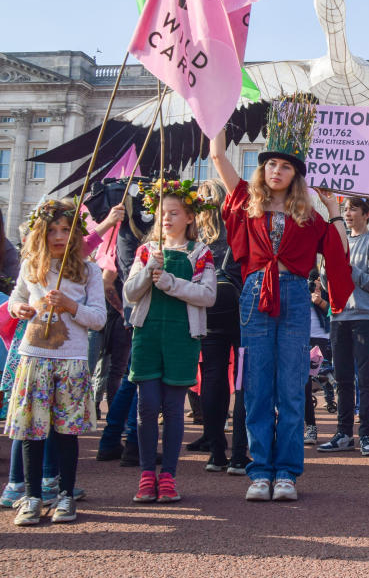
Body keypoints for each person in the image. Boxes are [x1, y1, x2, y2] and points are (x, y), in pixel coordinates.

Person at [209, 97, 352, 502]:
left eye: (286, 166)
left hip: (292, 292)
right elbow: (217, 154)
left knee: (291, 385)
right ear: (262, 169)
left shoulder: (308, 214)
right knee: (256, 386)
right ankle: (259, 471)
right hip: (255, 293)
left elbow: (337, 252)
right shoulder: (243, 199)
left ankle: (286, 471)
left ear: (295, 175)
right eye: (271, 164)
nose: (277, 170)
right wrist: (217, 109)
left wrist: (335, 207)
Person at [5, 200, 106, 525]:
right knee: (32, 432)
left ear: (76, 234)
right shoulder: (31, 265)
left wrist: (71, 307)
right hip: (34, 357)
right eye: (52, 231)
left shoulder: (89, 270)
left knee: (66, 432)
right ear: (41, 233)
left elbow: (99, 319)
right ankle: (31, 496)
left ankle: (64, 494)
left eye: (66, 230)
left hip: (71, 360)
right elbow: (18, 298)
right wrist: (17, 309)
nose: (59, 236)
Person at [124, 180, 217, 502]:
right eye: (162, 213)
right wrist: (149, 268)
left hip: (182, 338)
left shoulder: (201, 253)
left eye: (174, 213)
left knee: (174, 409)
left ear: (190, 217)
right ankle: (146, 474)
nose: (166, 218)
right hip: (147, 335)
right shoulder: (146, 251)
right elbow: (130, 293)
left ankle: (169, 477)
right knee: (147, 406)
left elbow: (207, 296)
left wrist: (170, 282)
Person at [317, 197, 369, 456]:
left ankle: (366, 434)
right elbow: (324, 284)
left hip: (365, 317)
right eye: (346, 209)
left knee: (365, 378)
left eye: (353, 209)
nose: (348, 213)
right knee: (342, 378)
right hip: (338, 316)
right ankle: (344, 433)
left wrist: (348, 268)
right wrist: (326, 267)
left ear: (366, 214)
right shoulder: (335, 242)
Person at [193, 180, 243, 472]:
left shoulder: (196, 233)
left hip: (207, 304)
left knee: (212, 375)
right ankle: (240, 451)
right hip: (237, 302)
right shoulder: (234, 225)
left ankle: (215, 451)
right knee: (243, 376)